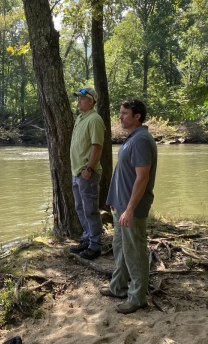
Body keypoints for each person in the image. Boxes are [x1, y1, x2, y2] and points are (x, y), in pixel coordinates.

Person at [100, 99, 157, 315]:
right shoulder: (132, 138)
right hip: (121, 206)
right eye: (121, 113)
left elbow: (142, 178)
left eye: (124, 113)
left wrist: (130, 209)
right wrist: (116, 202)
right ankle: (118, 287)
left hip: (132, 209)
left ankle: (137, 298)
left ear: (137, 116)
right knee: (121, 249)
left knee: (135, 253)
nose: (120, 117)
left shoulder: (141, 140)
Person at [69, 87, 105, 260]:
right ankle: (86, 238)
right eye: (78, 98)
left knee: (90, 209)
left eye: (83, 98)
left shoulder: (95, 119)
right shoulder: (80, 118)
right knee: (80, 207)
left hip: (87, 172)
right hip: (76, 172)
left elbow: (97, 146)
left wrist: (89, 168)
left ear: (92, 101)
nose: (79, 101)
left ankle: (95, 244)